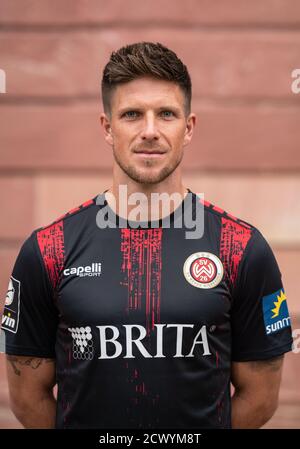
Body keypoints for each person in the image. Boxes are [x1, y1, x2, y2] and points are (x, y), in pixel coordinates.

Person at [1, 42, 293, 429]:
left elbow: (260, 397)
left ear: (188, 128)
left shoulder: (241, 249)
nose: (150, 131)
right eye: (132, 114)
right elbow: (27, 397)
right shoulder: (48, 250)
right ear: (108, 127)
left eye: (167, 114)